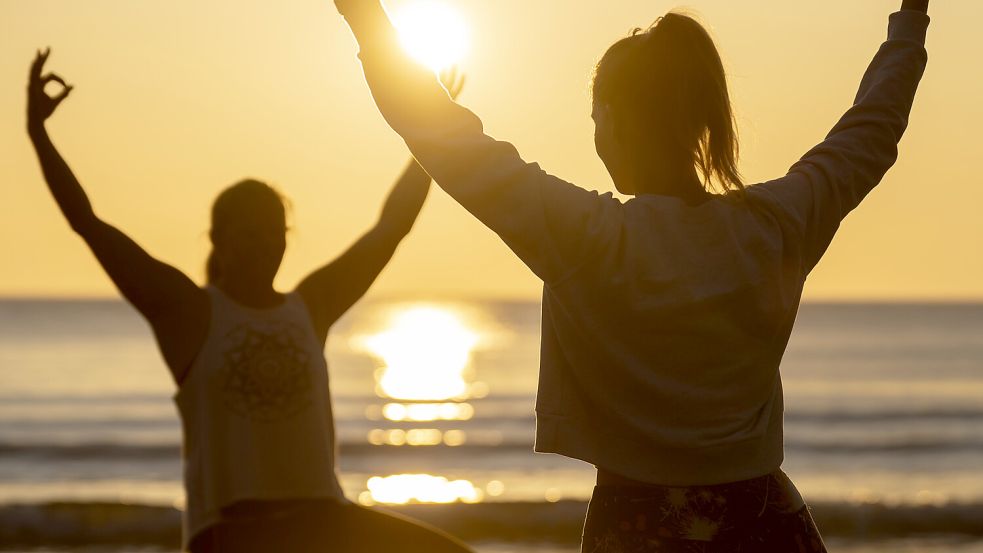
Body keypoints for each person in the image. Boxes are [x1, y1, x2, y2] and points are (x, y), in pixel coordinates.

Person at [332, 0, 931, 550]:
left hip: (639, 528)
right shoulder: (773, 227)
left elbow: (442, 135)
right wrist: (910, 20)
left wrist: (367, 22)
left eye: (596, 116)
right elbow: (870, 132)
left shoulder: (586, 238)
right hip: (766, 523)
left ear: (617, 122)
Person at [26, 49, 472, 553]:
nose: (266, 244)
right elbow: (91, 225)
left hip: (324, 523)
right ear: (218, 239)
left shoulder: (311, 306)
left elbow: (390, 228)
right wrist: (38, 136)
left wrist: (432, 135)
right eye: (250, 233)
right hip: (230, 533)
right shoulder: (188, 313)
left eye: (275, 232)